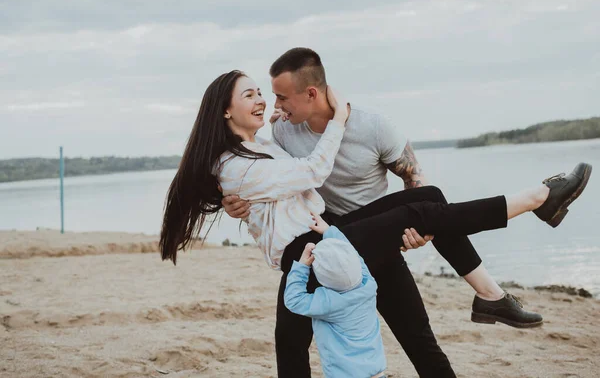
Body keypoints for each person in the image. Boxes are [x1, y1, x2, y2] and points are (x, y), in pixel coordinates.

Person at [159, 69, 592, 378]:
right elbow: (309, 173)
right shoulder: (234, 164)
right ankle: (538, 198)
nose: (262, 102)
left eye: (264, 94)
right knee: (293, 341)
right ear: (224, 111)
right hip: (310, 250)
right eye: (250, 94)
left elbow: (252, 180)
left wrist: (227, 199)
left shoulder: (261, 147)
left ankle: (490, 295)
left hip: (330, 234)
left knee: (427, 198)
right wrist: (340, 123)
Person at [284, 222, 386, 378]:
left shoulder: (328, 302)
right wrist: (330, 231)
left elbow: (294, 300)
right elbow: (355, 256)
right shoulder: (369, 285)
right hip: (377, 373)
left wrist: (302, 266)